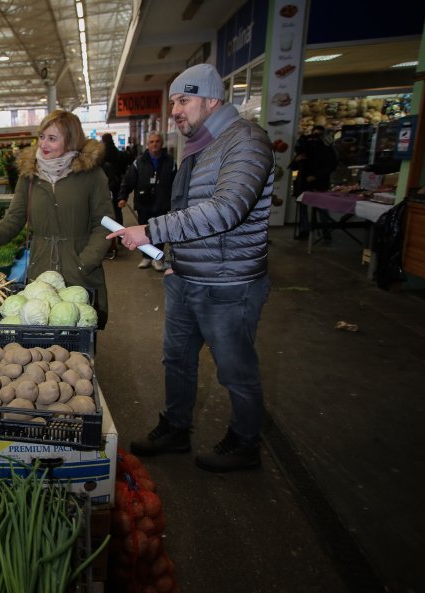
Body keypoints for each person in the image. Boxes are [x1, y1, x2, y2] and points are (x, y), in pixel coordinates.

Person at [106, 63, 274, 472]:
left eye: (184, 100)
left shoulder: (245, 142)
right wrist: (175, 261)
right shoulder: (200, 146)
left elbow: (226, 210)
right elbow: (189, 210)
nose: (176, 109)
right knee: (176, 359)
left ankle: (245, 442)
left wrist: (151, 231)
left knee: (235, 370)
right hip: (188, 277)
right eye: (174, 101)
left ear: (212, 99)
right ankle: (176, 428)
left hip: (230, 283)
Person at [0, 109, 114, 328]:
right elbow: (13, 220)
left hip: (79, 268)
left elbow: (104, 224)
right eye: (42, 136)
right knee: (40, 332)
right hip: (41, 267)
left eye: (52, 138)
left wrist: (84, 262)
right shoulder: (29, 177)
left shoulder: (91, 175)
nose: (44, 144)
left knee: (79, 331)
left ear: (70, 140)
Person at [117, 132, 177, 270]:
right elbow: (128, 181)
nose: (154, 144)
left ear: (161, 144)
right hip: (144, 203)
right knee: (144, 231)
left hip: (162, 203)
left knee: (160, 231)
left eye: (157, 141)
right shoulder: (139, 162)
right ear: (148, 145)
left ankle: (158, 258)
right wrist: (123, 197)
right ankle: (146, 257)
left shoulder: (170, 162)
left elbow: (176, 183)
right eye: (151, 142)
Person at [290, 124, 339, 240]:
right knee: (303, 208)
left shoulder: (327, 149)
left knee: (322, 207)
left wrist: (316, 176)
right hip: (303, 183)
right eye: (314, 134)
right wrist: (297, 160)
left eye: (319, 135)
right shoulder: (306, 147)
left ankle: (326, 231)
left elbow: (331, 166)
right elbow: (293, 166)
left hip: (320, 183)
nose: (315, 138)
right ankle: (304, 230)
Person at [100, 133, 127, 259]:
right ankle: (121, 237)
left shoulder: (104, 156)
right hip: (116, 185)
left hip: (107, 186)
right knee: (117, 213)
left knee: (108, 215)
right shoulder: (118, 153)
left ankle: (112, 241)